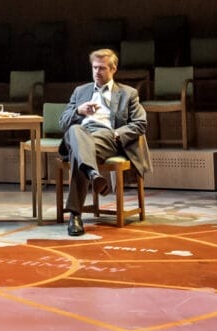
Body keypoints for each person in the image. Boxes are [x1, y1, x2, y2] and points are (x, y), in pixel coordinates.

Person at [56, 48, 150, 236]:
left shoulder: (128, 93)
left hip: (107, 137)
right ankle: (92, 173)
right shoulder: (80, 91)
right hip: (79, 133)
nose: (97, 72)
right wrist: (79, 112)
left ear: (113, 69)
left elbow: (140, 124)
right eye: (94, 68)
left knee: (78, 154)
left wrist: (116, 134)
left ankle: (75, 215)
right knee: (75, 130)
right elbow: (62, 122)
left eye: (102, 68)